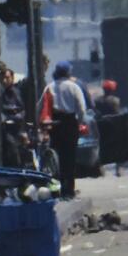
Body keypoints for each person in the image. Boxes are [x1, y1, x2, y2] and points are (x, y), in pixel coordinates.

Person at [41, 61, 87, 199]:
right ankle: (69, 189)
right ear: (68, 72)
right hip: (69, 123)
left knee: (57, 157)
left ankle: (58, 188)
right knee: (70, 157)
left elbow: (41, 106)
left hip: (55, 124)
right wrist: (80, 122)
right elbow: (81, 108)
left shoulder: (49, 87)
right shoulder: (74, 87)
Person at [0, 65, 26, 168]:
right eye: (3, 78)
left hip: (18, 127)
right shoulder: (0, 92)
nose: (5, 80)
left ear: (12, 78)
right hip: (6, 128)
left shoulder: (17, 92)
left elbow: (22, 107)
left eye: (7, 78)